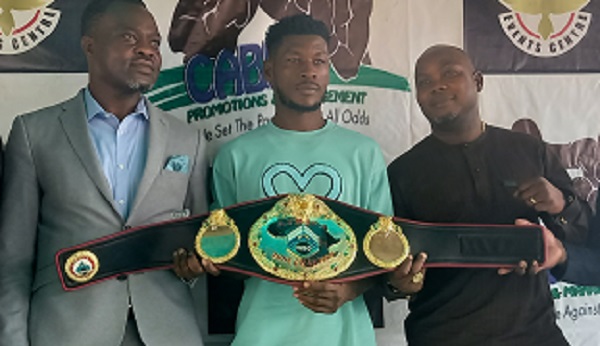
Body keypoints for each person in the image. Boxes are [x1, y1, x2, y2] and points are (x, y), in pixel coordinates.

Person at [174, 14, 392, 346]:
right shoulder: (235, 156)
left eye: (319, 61)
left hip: (346, 335)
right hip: (261, 332)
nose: (309, 71)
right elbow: (224, 252)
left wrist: (349, 290)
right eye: (294, 60)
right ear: (269, 71)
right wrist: (204, 262)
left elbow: (383, 250)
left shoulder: (363, 153)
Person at [0, 0, 208, 345]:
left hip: (167, 331)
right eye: (129, 37)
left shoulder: (189, 139)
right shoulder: (33, 133)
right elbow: (13, 260)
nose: (146, 50)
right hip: (67, 332)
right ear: (89, 46)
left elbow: (204, 252)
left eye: (154, 42)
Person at [386, 44, 591, 346]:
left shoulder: (528, 150)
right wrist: (399, 284)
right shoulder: (402, 173)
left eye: (449, 73)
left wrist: (561, 203)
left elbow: (582, 237)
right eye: (424, 81)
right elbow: (386, 271)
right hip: (443, 335)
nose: (437, 85)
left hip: (535, 334)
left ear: (478, 81)